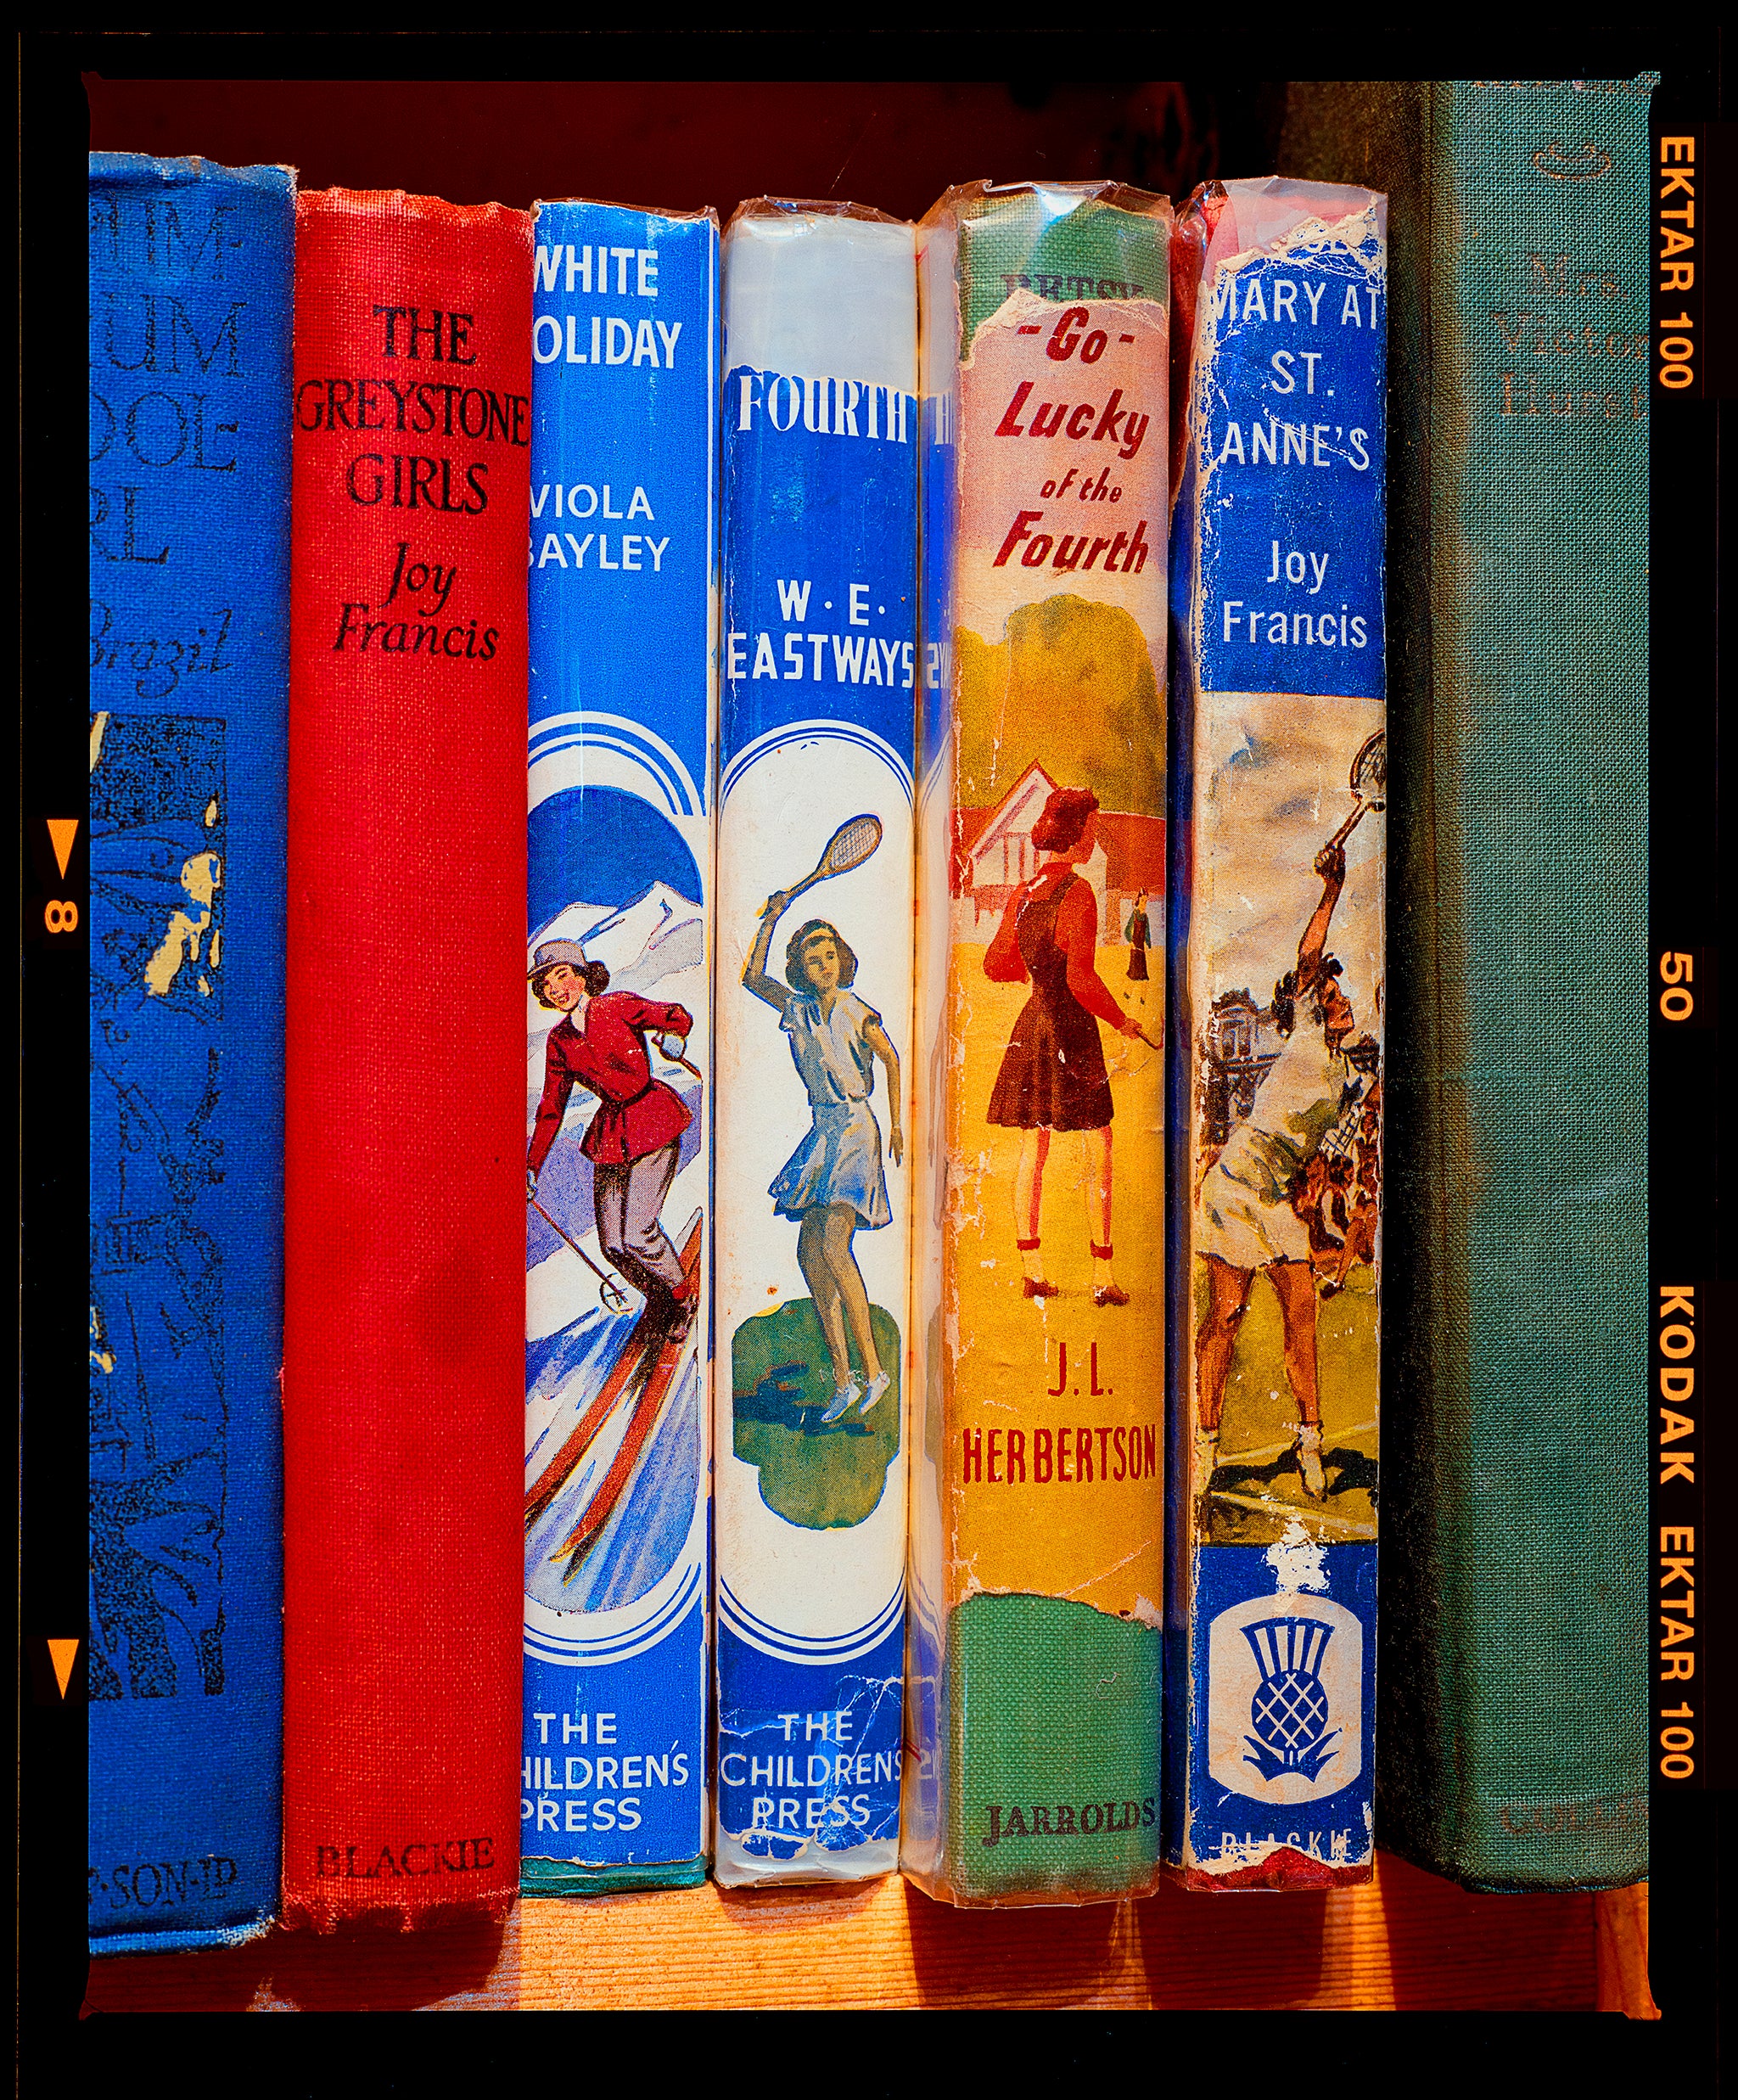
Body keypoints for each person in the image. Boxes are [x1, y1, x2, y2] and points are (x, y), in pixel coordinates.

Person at [1192, 842, 1371, 1500]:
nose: (1340, 1002)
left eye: (1341, 996)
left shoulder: (1352, 1075)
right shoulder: (1304, 1036)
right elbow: (1308, 955)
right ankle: (1206, 1445)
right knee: (1227, 1314)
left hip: (1276, 1202)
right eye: (1329, 996)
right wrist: (1332, 889)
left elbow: (1345, 1146)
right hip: (1237, 1182)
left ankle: (1311, 1444)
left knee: (1302, 1316)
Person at [984, 784, 1145, 1307]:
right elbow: (1081, 979)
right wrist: (1125, 1021)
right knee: (1098, 1147)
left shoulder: (1022, 893)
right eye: (1091, 829)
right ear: (1075, 836)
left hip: (1033, 1024)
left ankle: (1032, 1272)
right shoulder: (1077, 893)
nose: (1093, 838)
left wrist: (1033, 969)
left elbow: (996, 964)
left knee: (1034, 1147)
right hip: (1071, 1030)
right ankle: (1103, 1278)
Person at [743, 899, 902, 1426]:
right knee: (810, 1254)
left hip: (856, 1128)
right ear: (801, 969)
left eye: (830, 956)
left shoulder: (858, 1011)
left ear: (843, 958)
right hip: (823, 1131)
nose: (824, 966)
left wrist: (897, 1125)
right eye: (813, 960)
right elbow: (752, 978)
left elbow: (891, 1059)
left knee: (834, 1245)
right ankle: (843, 1380)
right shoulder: (798, 1010)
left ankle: (874, 1372)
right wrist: (770, 919)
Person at [526, 936, 697, 1335]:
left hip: (652, 1119)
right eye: (546, 984)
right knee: (613, 1246)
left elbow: (674, 1014)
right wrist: (531, 1167)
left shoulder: (616, 1006)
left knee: (638, 1233)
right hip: (612, 1134)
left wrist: (676, 1034)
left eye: (562, 975)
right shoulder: (559, 1041)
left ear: (583, 975)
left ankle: (681, 1298)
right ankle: (660, 1298)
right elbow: (551, 1109)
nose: (557, 989)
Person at [1125, 890, 1152, 984]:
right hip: (1135, 944)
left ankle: (1142, 993)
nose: (1143, 904)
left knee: (1143, 971)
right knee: (1134, 969)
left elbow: (1147, 932)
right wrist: (1131, 942)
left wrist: (1148, 945)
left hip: (1141, 945)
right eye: (1142, 901)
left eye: (1145, 901)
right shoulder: (1135, 914)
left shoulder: (1145, 916)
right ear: (1138, 900)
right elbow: (1127, 930)